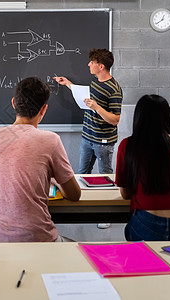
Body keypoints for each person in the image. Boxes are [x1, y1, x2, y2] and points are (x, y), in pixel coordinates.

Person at [0, 77, 81, 242]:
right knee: (79, 253)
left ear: (13, 103)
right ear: (44, 109)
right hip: (39, 240)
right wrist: (54, 179)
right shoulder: (50, 140)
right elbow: (74, 194)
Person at [115, 95, 170, 241]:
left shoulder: (128, 145)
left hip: (147, 224)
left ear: (138, 118)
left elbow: (125, 193)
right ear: (167, 117)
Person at [55, 48, 123, 229]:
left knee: (105, 178)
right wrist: (67, 84)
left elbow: (115, 119)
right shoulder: (94, 83)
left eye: (92, 62)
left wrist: (97, 107)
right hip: (87, 136)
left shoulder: (114, 89)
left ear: (101, 66)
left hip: (103, 141)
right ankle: (80, 208)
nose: (88, 65)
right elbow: (82, 94)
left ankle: (106, 214)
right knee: (81, 174)